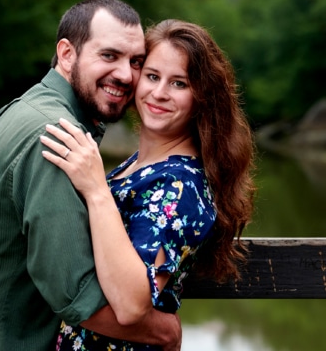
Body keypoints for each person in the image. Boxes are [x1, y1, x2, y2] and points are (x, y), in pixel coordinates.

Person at [0, 0, 182, 351]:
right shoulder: (55, 138)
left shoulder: (21, 111)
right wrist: (165, 332)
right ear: (66, 54)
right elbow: (76, 296)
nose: (126, 75)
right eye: (109, 56)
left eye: (136, 62)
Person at [41, 19, 256, 350]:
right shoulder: (139, 166)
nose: (159, 93)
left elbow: (130, 306)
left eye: (179, 83)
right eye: (152, 76)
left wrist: (97, 189)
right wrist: (20, 238)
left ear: (202, 97)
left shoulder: (179, 185)